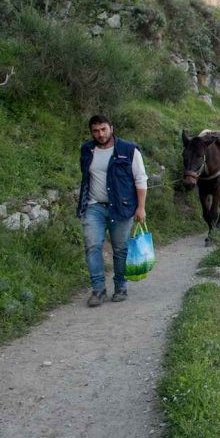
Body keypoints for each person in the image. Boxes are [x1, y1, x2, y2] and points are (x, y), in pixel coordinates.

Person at [76, 114, 148, 307]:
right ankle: (98, 290)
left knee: (120, 249)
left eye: (103, 129)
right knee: (92, 246)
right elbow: (86, 178)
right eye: (95, 131)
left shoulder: (129, 150)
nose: (100, 134)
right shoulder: (87, 150)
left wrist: (141, 208)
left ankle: (120, 287)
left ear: (111, 128)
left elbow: (140, 179)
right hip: (94, 206)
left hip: (122, 207)